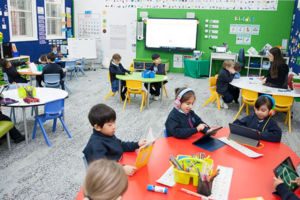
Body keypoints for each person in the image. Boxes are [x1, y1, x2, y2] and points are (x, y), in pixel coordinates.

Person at [82, 104, 147, 176]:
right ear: (97, 127)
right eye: (110, 125)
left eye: (114, 123)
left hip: (118, 163)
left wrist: (137, 144)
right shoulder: (95, 145)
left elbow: (120, 145)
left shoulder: (107, 134)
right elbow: (101, 168)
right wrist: (121, 169)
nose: (114, 127)